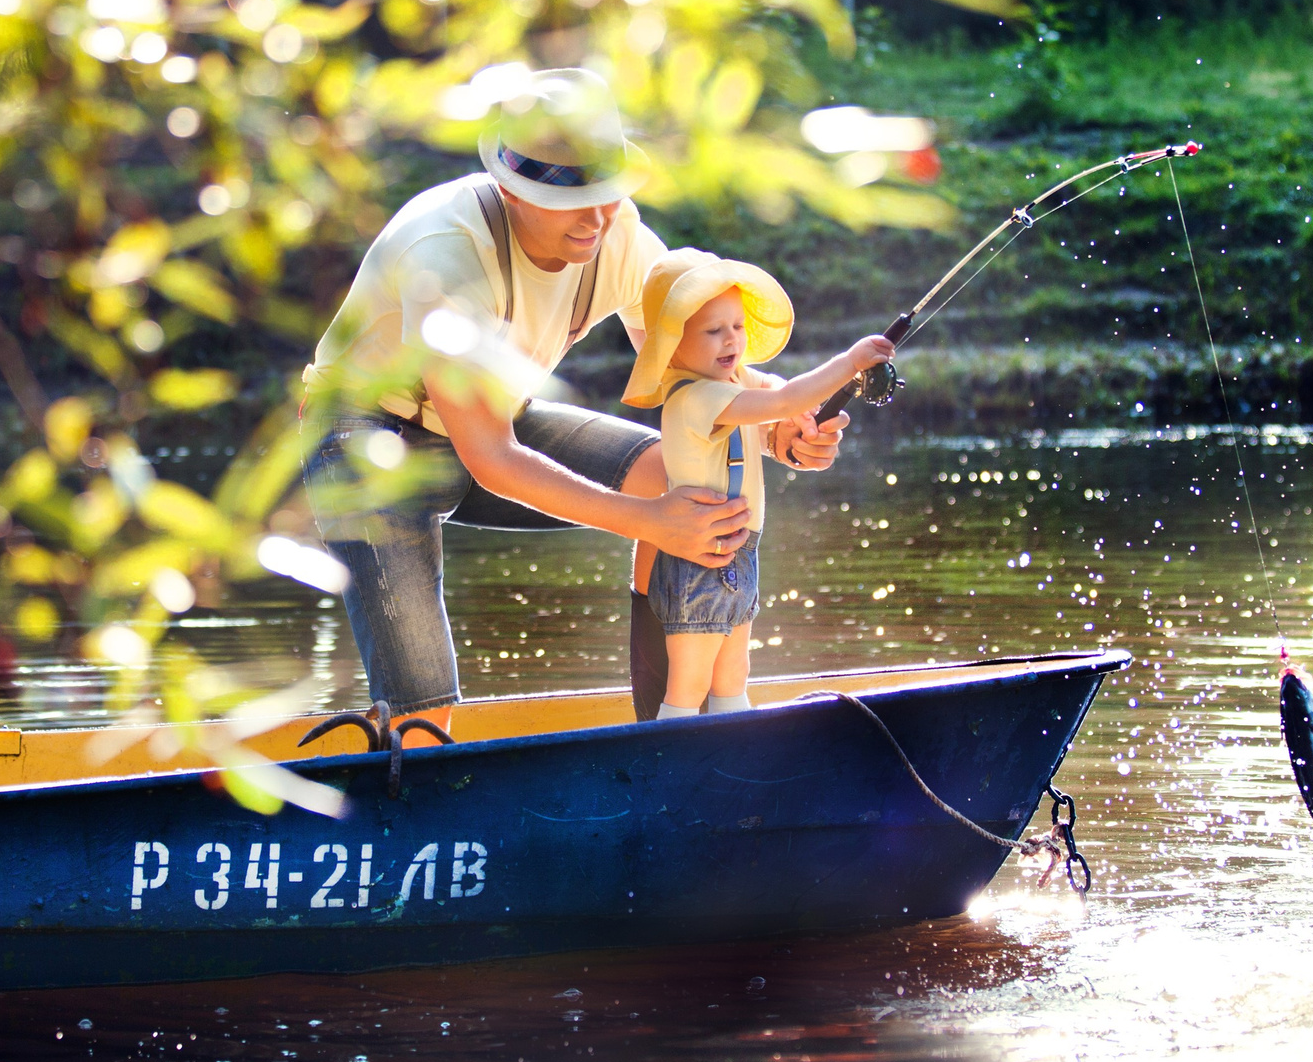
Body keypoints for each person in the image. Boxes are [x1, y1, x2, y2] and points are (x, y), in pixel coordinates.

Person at [300, 69, 847, 732]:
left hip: (495, 416)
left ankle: (669, 732)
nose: (599, 218)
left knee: (676, 476)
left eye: (610, 193)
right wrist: (650, 521)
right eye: (578, 198)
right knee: (424, 703)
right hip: (367, 440)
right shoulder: (445, 259)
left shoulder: (615, 234)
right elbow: (493, 458)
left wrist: (778, 425)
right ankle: (415, 765)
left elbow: (698, 371)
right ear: (511, 190)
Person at [621, 252, 894, 719]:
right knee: (689, 681)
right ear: (672, 344)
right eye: (713, 330)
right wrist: (848, 364)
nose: (731, 339)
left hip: (741, 551)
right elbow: (784, 398)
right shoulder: (694, 396)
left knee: (734, 672)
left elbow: (776, 388)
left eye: (737, 327)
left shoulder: (732, 376)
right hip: (698, 559)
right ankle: (670, 765)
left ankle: (734, 756)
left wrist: (800, 415)